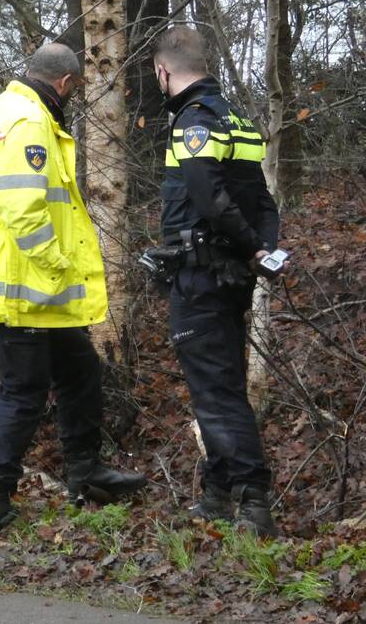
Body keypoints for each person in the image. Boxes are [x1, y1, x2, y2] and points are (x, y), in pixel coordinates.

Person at [0, 43, 148, 537]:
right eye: (73, 90)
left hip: (18, 281)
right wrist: (59, 266)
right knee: (23, 393)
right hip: (25, 285)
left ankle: (86, 472)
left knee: (80, 370)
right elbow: (23, 211)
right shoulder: (30, 124)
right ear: (65, 83)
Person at [152, 27, 281, 538]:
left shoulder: (194, 120)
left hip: (202, 273)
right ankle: (217, 494)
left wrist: (250, 247)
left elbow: (209, 199)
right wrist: (262, 249)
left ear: (163, 71)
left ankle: (253, 502)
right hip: (231, 275)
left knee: (216, 391)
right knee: (220, 383)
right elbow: (263, 200)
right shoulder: (239, 120)